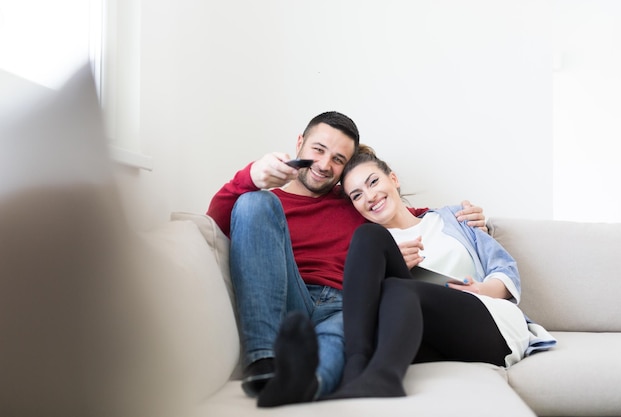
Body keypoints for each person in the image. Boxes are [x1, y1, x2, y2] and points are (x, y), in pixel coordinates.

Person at [206, 111, 487, 407]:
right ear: (300, 142)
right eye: (318, 150)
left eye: (338, 159)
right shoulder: (271, 204)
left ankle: (304, 384)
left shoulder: (356, 200)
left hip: (347, 303)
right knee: (253, 201)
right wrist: (250, 177)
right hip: (289, 295)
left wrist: (463, 217)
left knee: (341, 334)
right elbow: (214, 223)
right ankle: (264, 363)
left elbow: (407, 215)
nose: (325, 165)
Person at [322, 145, 556, 400]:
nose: (369, 196)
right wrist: (392, 267)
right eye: (356, 195)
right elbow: (367, 308)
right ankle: (357, 370)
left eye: (373, 182)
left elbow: (505, 268)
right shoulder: (375, 247)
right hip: (422, 332)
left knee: (398, 287)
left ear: (393, 179)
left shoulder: (454, 217)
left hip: (485, 320)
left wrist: (481, 288)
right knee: (373, 245)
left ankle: (379, 377)